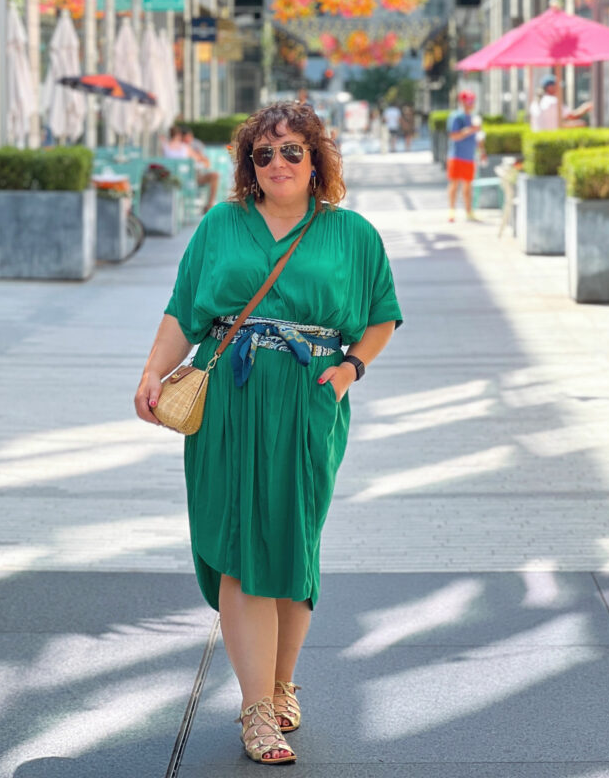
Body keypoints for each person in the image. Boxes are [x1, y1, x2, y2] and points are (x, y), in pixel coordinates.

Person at [134, 102, 402, 766]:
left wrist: (349, 370)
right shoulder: (220, 227)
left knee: (293, 544)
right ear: (248, 166)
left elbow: (383, 315)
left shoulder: (352, 234)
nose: (279, 163)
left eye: (292, 151)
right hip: (231, 396)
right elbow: (183, 310)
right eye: (264, 153)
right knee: (240, 544)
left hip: (310, 402)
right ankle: (256, 711)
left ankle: (282, 684)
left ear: (316, 160)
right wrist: (151, 373)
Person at [446, 89, 481, 223]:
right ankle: (451, 211)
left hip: (469, 156)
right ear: (462, 101)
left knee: (468, 186)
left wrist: (481, 151)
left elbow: (477, 137)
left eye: (473, 101)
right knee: (454, 184)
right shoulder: (456, 117)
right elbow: (454, 136)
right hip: (456, 156)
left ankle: (468, 211)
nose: (472, 104)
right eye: (469, 101)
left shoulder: (473, 117)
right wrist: (470, 130)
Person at [182, 128, 219, 211]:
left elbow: (206, 163)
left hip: (197, 174)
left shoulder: (196, 145)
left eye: (189, 137)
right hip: (184, 176)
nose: (188, 140)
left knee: (215, 175)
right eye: (186, 138)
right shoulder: (179, 147)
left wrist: (199, 157)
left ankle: (210, 204)